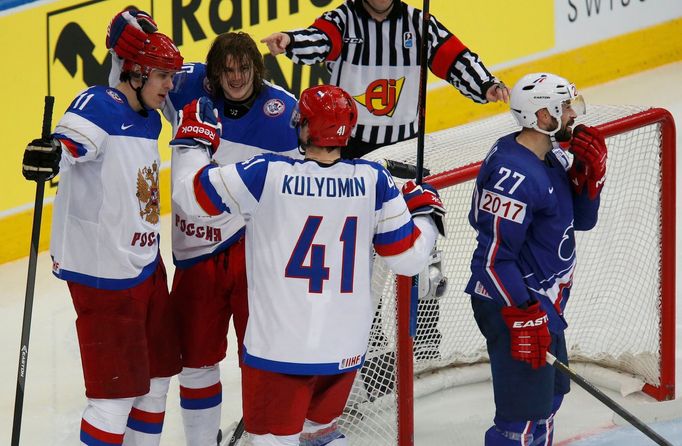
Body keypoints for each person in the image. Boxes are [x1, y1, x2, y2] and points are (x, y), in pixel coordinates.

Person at [169, 85, 445, 445]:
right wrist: (424, 215)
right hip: (344, 353)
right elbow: (408, 258)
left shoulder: (267, 174)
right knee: (319, 432)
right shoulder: (374, 181)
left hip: (279, 353)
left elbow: (190, 196)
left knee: (272, 440)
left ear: (303, 127)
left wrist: (193, 141)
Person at [106, 10, 301, 445]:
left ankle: (269, 438)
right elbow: (127, 79)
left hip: (257, 257)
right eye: (227, 70)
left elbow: (306, 185)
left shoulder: (284, 111)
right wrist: (126, 31)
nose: (236, 78)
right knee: (195, 361)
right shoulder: (185, 84)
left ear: (258, 68)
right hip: (197, 256)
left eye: (245, 68)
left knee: (264, 356)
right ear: (212, 73)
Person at [22, 30, 184, 446]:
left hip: (145, 264)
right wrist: (52, 152)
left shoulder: (148, 116)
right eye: (163, 76)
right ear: (135, 74)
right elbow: (72, 142)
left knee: (158, 378)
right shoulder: (100, 104)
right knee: (114, 399)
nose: (170, 86)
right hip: (102, 276)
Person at [465, 72, 607, 445]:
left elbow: (583, 221)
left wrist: (590, 179)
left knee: (549, 402)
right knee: (521, 423)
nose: (572, 115)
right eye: (564, 108)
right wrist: (524, 316)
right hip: (513, 305)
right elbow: (492, 261)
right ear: (542, 116)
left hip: (543, 304)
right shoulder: (512, 175)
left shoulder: (551, 155)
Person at [261, 0, 509, 159]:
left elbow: (454, 57)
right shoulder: (343, 20)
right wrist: (291, 41)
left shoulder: (419, 24)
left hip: (405, 148)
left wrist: (485, 84)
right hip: (348, 144)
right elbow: (319, 39)